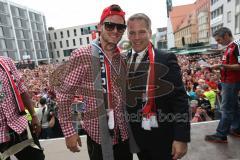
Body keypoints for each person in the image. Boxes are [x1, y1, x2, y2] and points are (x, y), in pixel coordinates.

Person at [54, 4, 136, 160]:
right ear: (100, 26)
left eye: (120, 27)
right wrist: (69, 131)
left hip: (123, 135)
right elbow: (64, 94)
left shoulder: (123, 57)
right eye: (110, 25)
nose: (115, 31)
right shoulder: (82, 54)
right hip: (98, 137)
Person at [125, 13, 190, 160]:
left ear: (149, 32)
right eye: (132, 33)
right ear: (127, 35)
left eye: (141, 32)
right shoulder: (124, 59)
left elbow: (179, 100)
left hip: (162, 137)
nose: (136, 37)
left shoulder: (165, 58)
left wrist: (181, 137)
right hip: (137, 137)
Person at [0, 56, 45, 160]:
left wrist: (33, 115)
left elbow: (21, 89)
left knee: (37, 157)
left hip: (18, 125)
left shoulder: (6, 62)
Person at [205, 27, 240, 143]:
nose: (217, 42)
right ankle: (237, 129)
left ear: (226, 35)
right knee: (234, 106)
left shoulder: (236, 45)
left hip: (232, 82)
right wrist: (220, 68)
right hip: (228, 82)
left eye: (219, 40)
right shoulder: (229, 47)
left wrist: (222, 66)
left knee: (226, 109)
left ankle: (221, 135)